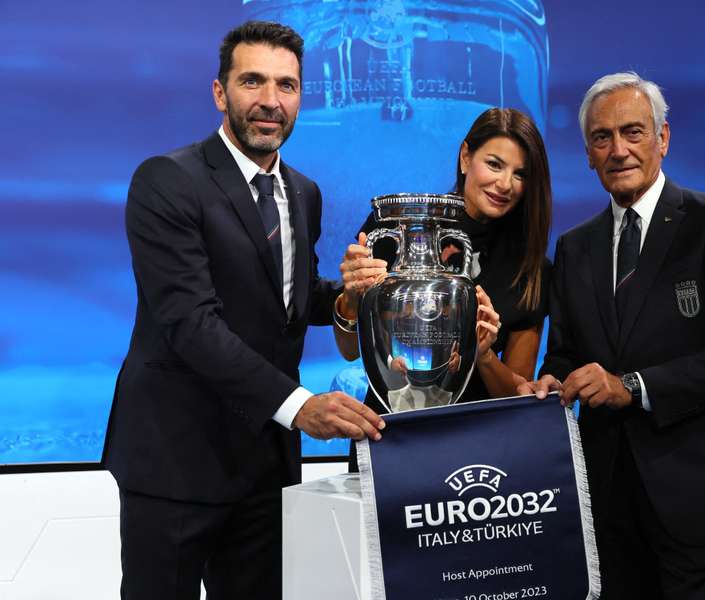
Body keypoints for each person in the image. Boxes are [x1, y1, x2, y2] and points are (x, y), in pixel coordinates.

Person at [101, 21, 384, 600]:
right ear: (219, 91)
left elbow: (288, 299)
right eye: (252, 81)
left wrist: (351, 294)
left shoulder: (304, 193)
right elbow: (191, 323)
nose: (270, 102)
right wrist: (301, 406)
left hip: (264, 466)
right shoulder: (167, 180)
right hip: (176, 460)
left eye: (287, 85)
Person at [517, 72, 705, 599]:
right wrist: (549, 381)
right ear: (588, 154)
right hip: (609, 505)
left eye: (633, 132)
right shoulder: (574, 248)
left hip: (702, 500)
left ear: (663, 138)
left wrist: (631, 386)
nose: (618, 149)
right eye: (602, 138)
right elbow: (568, 352)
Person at [336, 108, 552, 450]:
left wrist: (482, 353)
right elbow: (349, 350)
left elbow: (518, 391)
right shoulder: (397, 229)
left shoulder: (532, 267)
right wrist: (350, 297)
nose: (505, 184)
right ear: (466, 156)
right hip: (389, 434)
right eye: (494, 164)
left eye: (520, 174)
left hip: (478, 451)